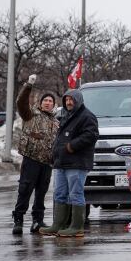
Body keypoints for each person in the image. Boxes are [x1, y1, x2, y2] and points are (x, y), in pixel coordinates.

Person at [40, 89, 99, 237]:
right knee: (60, 194)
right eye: (66, 100)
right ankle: (58, 224)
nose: (68, 102)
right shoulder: (65, 116)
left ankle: (77, 227)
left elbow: (91, 135)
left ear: (78, 100)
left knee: (75, 194)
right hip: (61, 162)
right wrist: (55, 154)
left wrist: (71, 146)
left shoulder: (87, 116)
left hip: (77, 163)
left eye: (71, 100)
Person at [12, 74, 59, 235]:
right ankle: (18, 220)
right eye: (45, 100)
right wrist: (28, 86)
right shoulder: (30, 114)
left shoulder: (56, 122)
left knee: (41, 193)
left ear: (54, 105)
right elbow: (20, 102)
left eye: (50, 101)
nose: (47, 102)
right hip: (31, 159)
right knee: (25, 190)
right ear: (40, 103)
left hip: (47, 162)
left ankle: (37, 221)